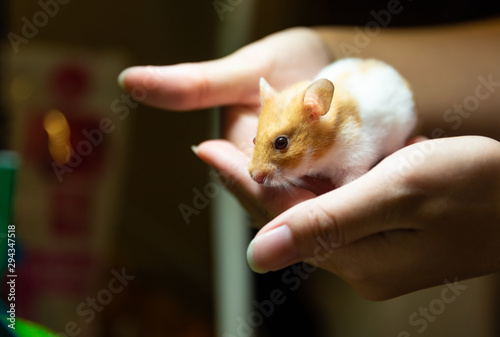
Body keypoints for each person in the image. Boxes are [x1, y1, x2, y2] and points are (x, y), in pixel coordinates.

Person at [118, 18, 500, 300]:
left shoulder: (346, 136)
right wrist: (322, 46)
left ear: (317, 112)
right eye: (259, 143)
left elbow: (353, 175)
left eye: (280, 144)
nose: (256, 169)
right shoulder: (287, 106)